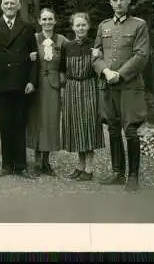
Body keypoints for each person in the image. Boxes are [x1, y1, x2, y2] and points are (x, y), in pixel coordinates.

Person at [92, 0, 150, 192]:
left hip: (130, 87)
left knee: (131, 129)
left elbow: (141, 55)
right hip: (107, 85)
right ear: (110, 2)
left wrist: (120, 74)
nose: (118, 3)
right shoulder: (103, 26)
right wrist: (105, 72)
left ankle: (133, 177)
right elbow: (96, 54)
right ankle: (118, 173)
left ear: (129, 1)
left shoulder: (139, 25)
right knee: (113, 128)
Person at [0, 0, 38, 179]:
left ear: (18, 6)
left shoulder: (27, 28)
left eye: (13, 4)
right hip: (1, 84)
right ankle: (6, 164)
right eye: (6, 3)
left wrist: (32, 81)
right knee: (5, 124)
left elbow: (34, 57)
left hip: (21, 83)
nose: (9, 6)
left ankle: (21, 165)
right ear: (1, 6)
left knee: (20, 123)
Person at [60, 12, 105, 181]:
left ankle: (89, 168)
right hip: (72, 88)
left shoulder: (95, 45)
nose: (80, 28)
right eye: (77, 25)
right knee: (76, 127)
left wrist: (99, 55)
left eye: (83, 25)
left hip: (89, 87)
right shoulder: (67, 46)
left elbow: (101, 66)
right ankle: (79, 165)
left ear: (88, 26)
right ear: (73, 27)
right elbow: (63, 69)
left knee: (88, 125)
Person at [26, 8, 68, 176]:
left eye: (50, 19)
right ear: (39, 21)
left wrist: (63, 77)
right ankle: (36, 162)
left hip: (53, 86)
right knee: (36, 120)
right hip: (36, 85)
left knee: (51, 121)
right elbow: (23, 59)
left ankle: (46, 162)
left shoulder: (62, 40)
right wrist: (28, 58)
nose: (48, 22)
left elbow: (67, 61)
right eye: (44, 19)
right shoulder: (34, 39)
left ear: (55, 21)